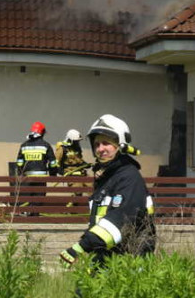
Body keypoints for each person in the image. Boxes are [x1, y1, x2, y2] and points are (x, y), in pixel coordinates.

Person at [59, 114, 156, 269]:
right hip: (107, 259)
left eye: (106, 143)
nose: (100, 149)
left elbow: (118, 221)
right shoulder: (108, 177)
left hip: (127, 264)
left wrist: (79, 248)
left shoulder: (128, 177)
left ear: (120, 146)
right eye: (96, 144)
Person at [15, 121, 57, 216]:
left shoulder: (24, 145)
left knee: (29, 199)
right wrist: (53, 174)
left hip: (27, 179)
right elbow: (53, 163)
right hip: (40, 179)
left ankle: (29, 217)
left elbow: (19, 163)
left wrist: (21, 172)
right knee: (38, 199)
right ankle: (35, 218)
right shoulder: (45, 145)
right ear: (42, 132)